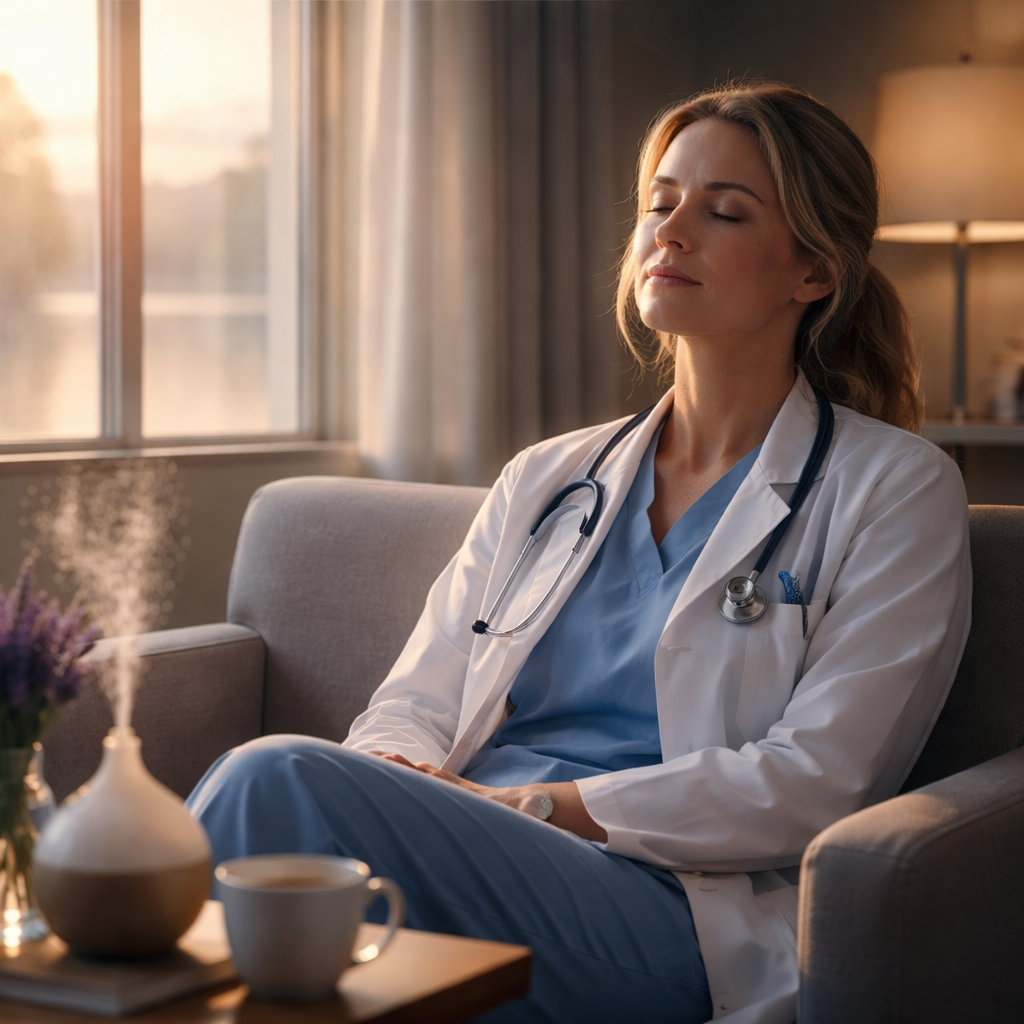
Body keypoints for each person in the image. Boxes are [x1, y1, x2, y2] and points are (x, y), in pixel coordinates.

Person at [188, 82, 971, 1024]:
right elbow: (413, 700)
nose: (670, 232)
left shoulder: (894, 487)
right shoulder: (549, 477)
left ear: (814, 273)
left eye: (723, 212)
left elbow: (817, 782)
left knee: (268, 780)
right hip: (471, 844)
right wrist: (411, 784)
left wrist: (531, 809)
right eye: (659, 203)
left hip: (667, 900)